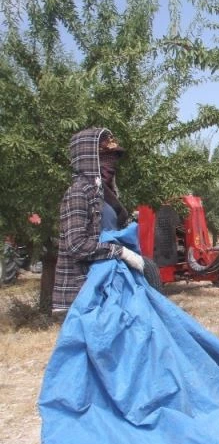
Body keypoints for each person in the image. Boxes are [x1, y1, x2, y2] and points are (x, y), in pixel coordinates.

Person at [53, 128, 144, 313]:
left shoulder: (105, 196)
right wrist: (120, 252)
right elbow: (77, 245)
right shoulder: (79, 192)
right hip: (85, 292)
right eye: (104, 157)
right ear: (89, 160)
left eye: (114, 158)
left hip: (106, 286)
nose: (111, 165)